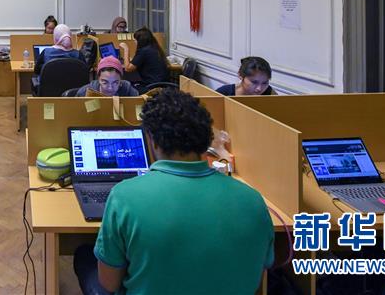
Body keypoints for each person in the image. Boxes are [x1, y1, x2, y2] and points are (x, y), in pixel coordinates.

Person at [74, 87, 274, 295]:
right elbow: (258, 273)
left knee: (85, 255)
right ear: (207, 140)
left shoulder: (124, 197)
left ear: (151, 140)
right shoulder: (253, 200)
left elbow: (109, 283)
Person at [71, 56, 139, 97]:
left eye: (115, 82)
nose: (110, 88)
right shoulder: (84, 93)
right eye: (105, 82)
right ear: (98, 79)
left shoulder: (128, 91)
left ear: (121, 80)